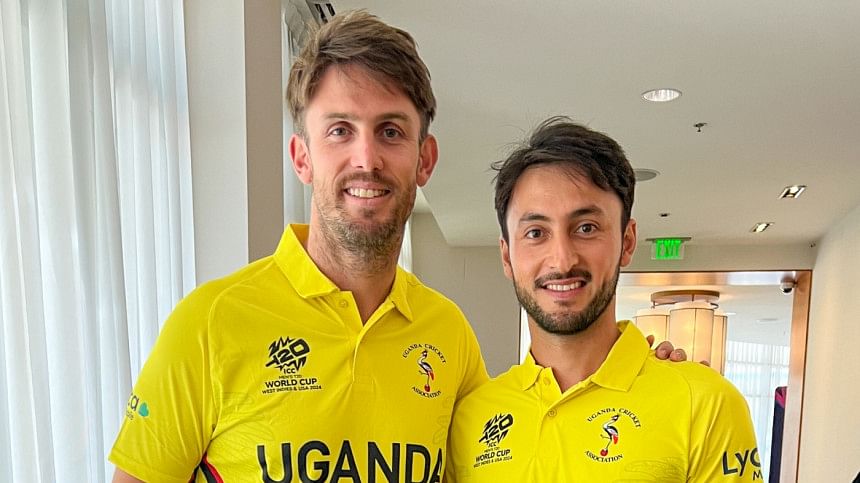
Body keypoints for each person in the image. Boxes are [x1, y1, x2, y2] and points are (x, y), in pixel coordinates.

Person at [109, 11, 684, 483]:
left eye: (390, 131)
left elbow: (514, 443)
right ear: (302, 157)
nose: (366, 159)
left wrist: (651, 387)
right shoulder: (210, 322)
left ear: (424, 159)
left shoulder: (448, 333)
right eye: (340, 131)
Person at [445, 117, 761, 482]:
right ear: (507, 256)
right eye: (535, 232)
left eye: (586, 228)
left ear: (627, 241)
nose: (562, 260)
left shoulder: (705, 402)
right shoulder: (470, 419)